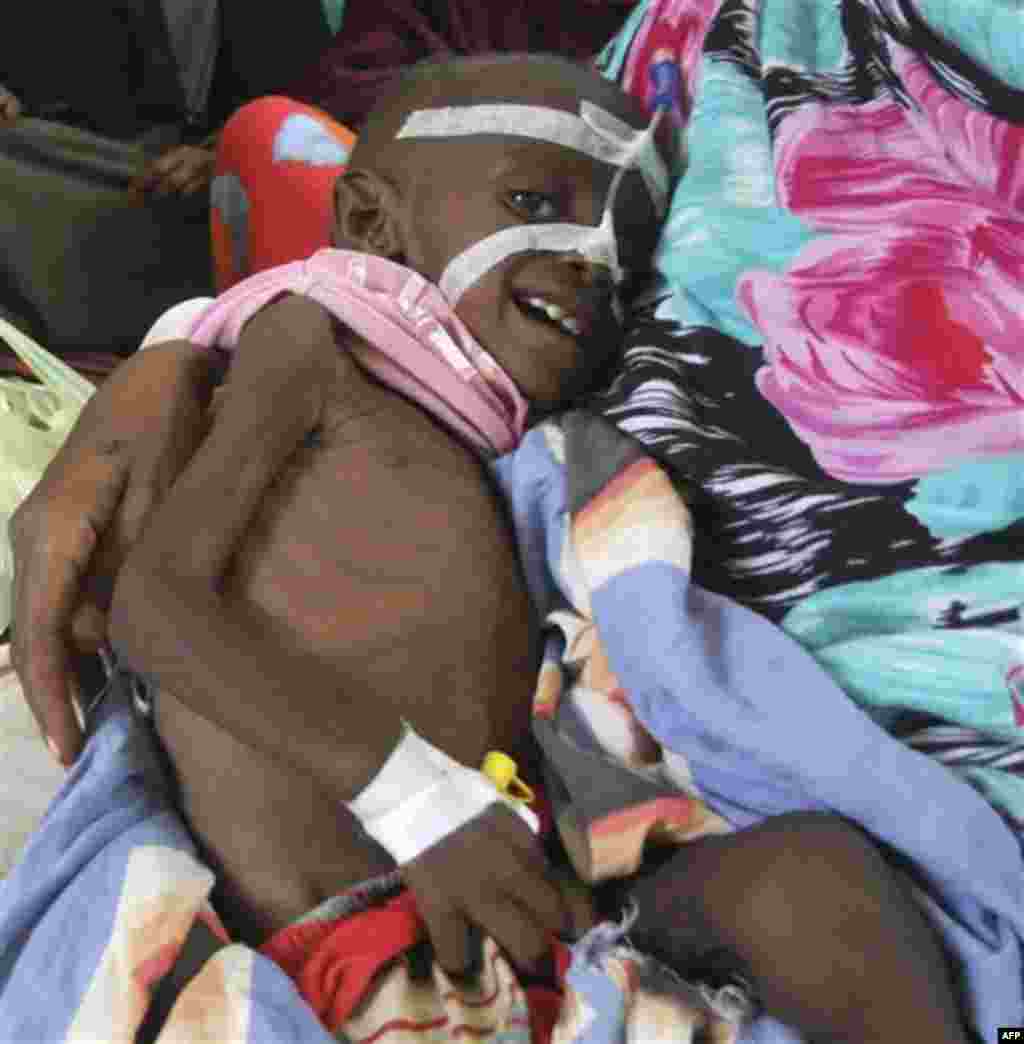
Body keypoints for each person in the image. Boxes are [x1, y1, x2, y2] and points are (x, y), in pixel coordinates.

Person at [8, 54, 970, 1044]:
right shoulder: (315, 339)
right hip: (370, 921)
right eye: (531, 197)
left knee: (814, 882)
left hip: (520, 893)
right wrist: (417, 803)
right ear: (373, 224)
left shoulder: (478, 429)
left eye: (623, 243)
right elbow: (159, 609)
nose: (592, 255)